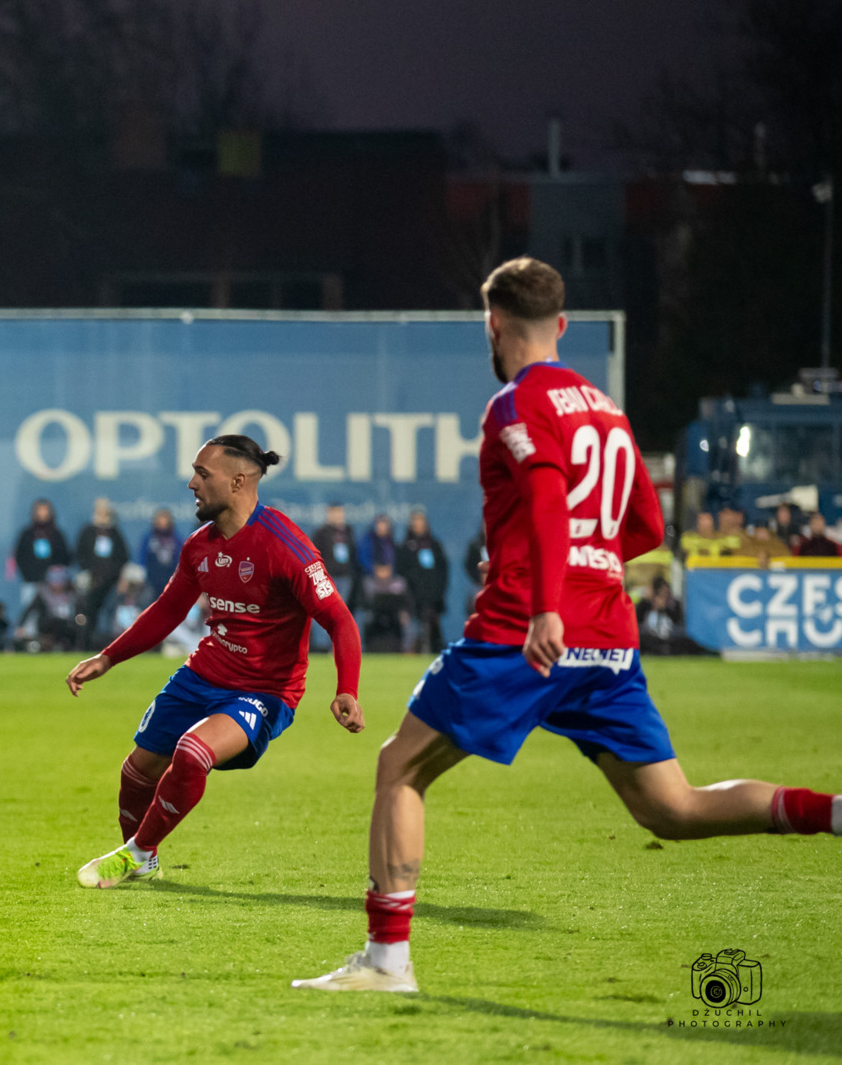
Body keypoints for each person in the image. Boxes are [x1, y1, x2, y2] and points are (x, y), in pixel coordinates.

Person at [297, 257, 841, 995]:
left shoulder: (517, 404)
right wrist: (586, 568)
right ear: (561, 325)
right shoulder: (609, 411)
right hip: (608, 637)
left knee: (401, 767)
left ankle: (388, 963)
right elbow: (648, 522)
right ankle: (831, 814)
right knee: (672, 808)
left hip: (527, 629)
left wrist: (549, 599)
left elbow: (549, 495)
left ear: (494, 325)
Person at [67, 435, 365, 889]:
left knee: (192, 752)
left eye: (203, 475)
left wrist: (348, 689)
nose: (191, 484)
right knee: (136, 770)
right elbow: (168, 611)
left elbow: (340, 621)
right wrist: (109, 658)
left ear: (239, 481)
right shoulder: (199, 547)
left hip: (263, 691)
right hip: (202, 674)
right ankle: (143, 860)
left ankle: (135, 854)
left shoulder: (287, 546)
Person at [74, 498, 130, 644]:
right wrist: (88, 572)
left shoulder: (114, 533)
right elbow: (80, 553)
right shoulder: (88, 531)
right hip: (92, 581)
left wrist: (119, 578)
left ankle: (105, 643)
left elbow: (123, 557)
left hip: (111, 582)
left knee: (109, 614)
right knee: (89, 612)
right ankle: (88, 642)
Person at [12, 499, 71, 629]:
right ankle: (29, 642)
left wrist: (55, 577)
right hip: (31, 582)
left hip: (53, 586)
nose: (43, 513)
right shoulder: (27, 534)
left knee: (53, 614)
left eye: (45, 510)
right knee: (30, 614)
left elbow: (64, 557)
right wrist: (29, 574)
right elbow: (20, 556)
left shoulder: (56, 534)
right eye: (40, 510)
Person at [396, 510, 449, 653]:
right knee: (414, 628)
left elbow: (443, 568)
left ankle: (433, 651)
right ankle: (413, 651)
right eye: (415, 521)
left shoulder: (434, 545)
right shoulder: (406, 546)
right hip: (413, 596)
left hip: (433, 596)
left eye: (421, 521)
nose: (418, 525)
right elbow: (402, 571)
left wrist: (439, 590)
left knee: (433, 627)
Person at [15, 565, 81, 651]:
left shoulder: (72, 594)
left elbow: (80, 613)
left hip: (66, 628)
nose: (57, 584)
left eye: (60, 580)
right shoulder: (43, 594)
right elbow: (29, 610)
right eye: (54, 580)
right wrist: (20, 626)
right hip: (48, 627)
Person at [359, 563, 412, 654]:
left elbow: (407, 602)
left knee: (408, 622)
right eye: (380, 569)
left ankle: (407, 649)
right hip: (373, 612)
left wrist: (405, 613)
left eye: (385, 569)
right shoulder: (368, 583)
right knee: (360, 618)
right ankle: (360, 649)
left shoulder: (398, 583)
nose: (383, 572)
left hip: (395, 613)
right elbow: (361, 602)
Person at [635, 577, 695, 656]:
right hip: (651, 637)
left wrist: (665, 609)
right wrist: (649, 603)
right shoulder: (645, 604)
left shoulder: (674, 604)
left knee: (688, 641)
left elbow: (678, 621)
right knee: (641, 639)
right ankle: (662, 649)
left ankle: (663, 649)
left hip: (670, 637)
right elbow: (638, 620)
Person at [138, 508, 181, 600]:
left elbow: (180, 557)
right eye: (160, 519)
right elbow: (143, 556)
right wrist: (142, 573)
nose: (162, 523)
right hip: (151, 580)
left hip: (170, 578)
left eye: (165, 519)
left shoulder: (176, 539)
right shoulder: (149, 538)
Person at [462, 524, 487, 616]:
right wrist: (479, 577)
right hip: (478, 586)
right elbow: (469, 565)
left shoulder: (502, 544)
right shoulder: (475, 545)